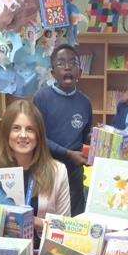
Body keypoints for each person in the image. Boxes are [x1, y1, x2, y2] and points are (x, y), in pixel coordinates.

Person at [0, 99, 70, 244]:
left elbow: (65, 227)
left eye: (30, 129)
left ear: (39, 135)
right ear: (6, 133)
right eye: (16, 128)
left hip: (40, 253)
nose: (23, 135)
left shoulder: (58, 171)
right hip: (1, 253)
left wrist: (35, 221)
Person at [33, 44, 91, 216]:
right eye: (61, 63)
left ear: (79, 72)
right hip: (47, 170)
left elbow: (85, 137)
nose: (67, 67)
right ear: (52, 73)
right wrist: (67, 153)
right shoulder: (41, 98)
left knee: (76, 217)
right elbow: (38, 137)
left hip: (75, 172)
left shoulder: (85, 102)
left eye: (73, 63)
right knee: (48, 219)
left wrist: (98, 141)